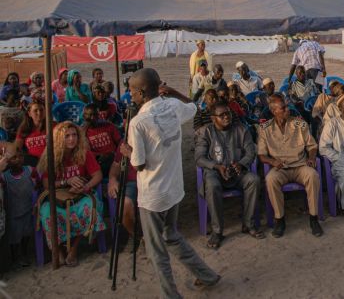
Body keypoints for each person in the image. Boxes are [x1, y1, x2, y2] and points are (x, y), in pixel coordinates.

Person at [119, 68, 220, 297]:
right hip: (174, 190)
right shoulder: (173, 107)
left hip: (153, 196)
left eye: (133, 91)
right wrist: (173, 92)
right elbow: (193, 106)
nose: (130, 95)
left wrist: (127, 152)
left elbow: (139, 165)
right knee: (171, 236)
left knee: (157, 252)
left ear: (143, 92)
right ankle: (206, 275)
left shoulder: (138, 122)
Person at [38, 121, 106, 267]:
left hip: (80, 194)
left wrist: (86, 186)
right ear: (58, 139)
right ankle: (60, 250)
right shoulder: (52, 156)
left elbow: (98, 175)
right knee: (47, 212)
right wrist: (66, 181)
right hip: (58, 196)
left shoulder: (84, 153)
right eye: (67, 136)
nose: (71, 139)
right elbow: (46, 184)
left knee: (89, 208)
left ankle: (73, 250)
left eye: (74, 135)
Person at [195, 103, 262, 249]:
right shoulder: (205, 132)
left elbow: (251, 152)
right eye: (222, 115)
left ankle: (248, 224)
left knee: (254, 180)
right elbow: (199, 158)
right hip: (215, 172)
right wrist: (216, 166)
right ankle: (217, 231)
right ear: (213, 119)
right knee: (212, 185)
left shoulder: (241, 129)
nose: (226, 117)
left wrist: (242, 164)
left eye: (228, 113)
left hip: (237, 172)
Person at [257, 94, 323, 238]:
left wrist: (311, 158)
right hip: (280, 168)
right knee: (270, 179)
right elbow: (261, 155)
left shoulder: (300, 124)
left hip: (300, 166)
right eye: (284, 108)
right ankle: (280, 220)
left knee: (313, 175)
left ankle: (313, 218)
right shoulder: (265, 129)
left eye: (287, 106)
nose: (288, 109)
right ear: (274, 111)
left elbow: (312, 146)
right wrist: (273, 162)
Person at [1, 142, 38, 267]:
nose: (18, 159)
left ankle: (24, 254)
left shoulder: (29, 170)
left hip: (28, 210)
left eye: (20, 156)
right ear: (7, 161)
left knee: (26, 234)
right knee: (14, 238)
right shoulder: (5, 177)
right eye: (14, 158)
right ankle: (15, 257)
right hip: (14, 214)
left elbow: (38, 178)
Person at [107, 141, 138, 241]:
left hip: (150, 181)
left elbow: (146, 169)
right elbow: (116, 165)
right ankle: (136, 235)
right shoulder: (125, 142)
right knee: (124, 204)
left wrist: (130, 155)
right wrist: (112, 179)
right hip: (132, 182)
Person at [82, 103, 121, 178]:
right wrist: (99, 156)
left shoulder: (109, 126)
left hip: (114, 159)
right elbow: (86, 153)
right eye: (89, 115)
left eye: (95, 115)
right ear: (84, 116)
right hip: (97, 161)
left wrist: (116, 155)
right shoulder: (82, 132)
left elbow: (119, 143)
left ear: (98, 115)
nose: (92, 118)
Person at [15, 101, 48, 167]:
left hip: (51, 161)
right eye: (35, 110)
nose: (39, 113)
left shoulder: (53, 125)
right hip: (33, 163)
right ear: (29, 113)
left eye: (41, 110)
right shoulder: (24, 129)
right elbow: (17, 148)